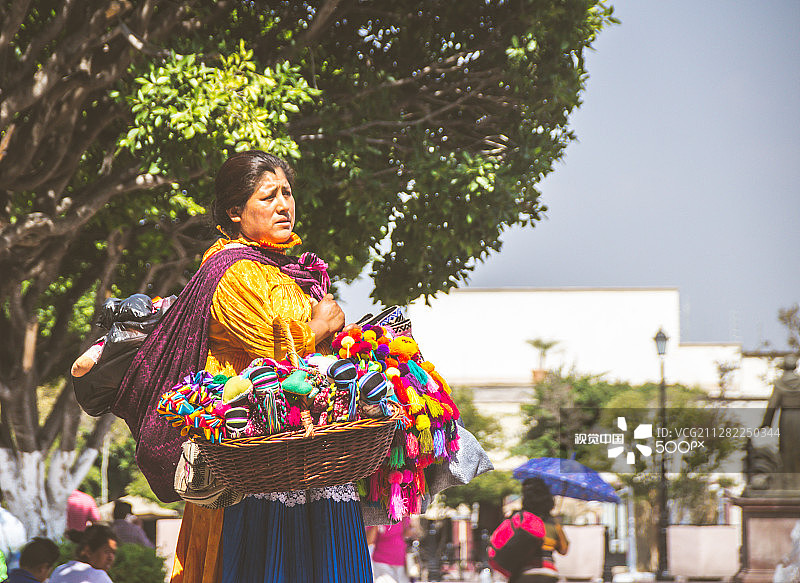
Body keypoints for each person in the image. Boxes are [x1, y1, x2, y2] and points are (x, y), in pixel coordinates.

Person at [168, 150, 370, 583]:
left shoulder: (277, 268)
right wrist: (320, 325)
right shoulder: (233, 271)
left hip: (301, 453)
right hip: (254, 465)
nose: (284, 205)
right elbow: (272, 356)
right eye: (268, 196)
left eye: (288, 193)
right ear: (235, 212)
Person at [514, 478, 569, 583]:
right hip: (548, 573)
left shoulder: (520, 519)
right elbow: (564, 550)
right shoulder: (553, 524)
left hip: (523, 572)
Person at [49, 525, 117, 583]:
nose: (111, 558)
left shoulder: (58, 571)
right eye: (107, 551)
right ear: (88, 551)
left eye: (113, 553)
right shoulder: (98, 577)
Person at [366, 517, 420, 583]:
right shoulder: (376, 515)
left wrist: (413, 526)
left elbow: (409, 534)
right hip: (382, 563)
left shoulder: (401, 513)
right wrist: (376, 523)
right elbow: (369, 541)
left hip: (401, 562)